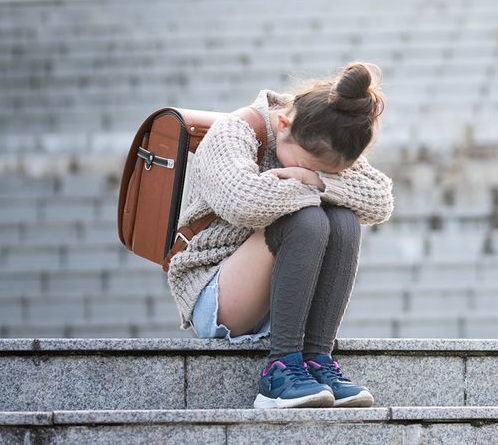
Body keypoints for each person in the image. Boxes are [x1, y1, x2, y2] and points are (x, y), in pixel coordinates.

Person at [165, 61, 394, 409]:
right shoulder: (233, 133)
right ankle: (279, 372)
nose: (313, 174)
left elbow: (380, 200)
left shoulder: (326, 126)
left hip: (282, 289)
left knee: (345, 219)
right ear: (283, 123)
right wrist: (323, 190)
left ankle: (317, 360)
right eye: (308, 166)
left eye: (330, 173)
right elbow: (245, 202)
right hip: (215, 293)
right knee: (308, 219)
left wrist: (313, 180)